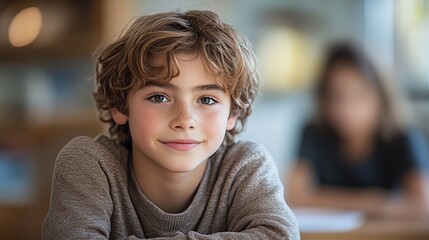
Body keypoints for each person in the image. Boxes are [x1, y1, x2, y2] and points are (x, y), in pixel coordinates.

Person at [42, 10, 299, 239]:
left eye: (207, 99)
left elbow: (280, 235)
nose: (184, 120)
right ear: (119, 106)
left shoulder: (245, 165)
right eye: (159, 97)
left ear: (233, 112)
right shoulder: (89, 164)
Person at [286, 42, 429, 219]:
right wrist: (375, 202)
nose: (347, 109)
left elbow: (422, 205)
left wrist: (325, 199)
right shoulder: (314, 132)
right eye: (336, 96)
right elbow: (296, 196)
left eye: (359, 94)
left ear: (381, 96)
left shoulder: (401, 137)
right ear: (323, 98)